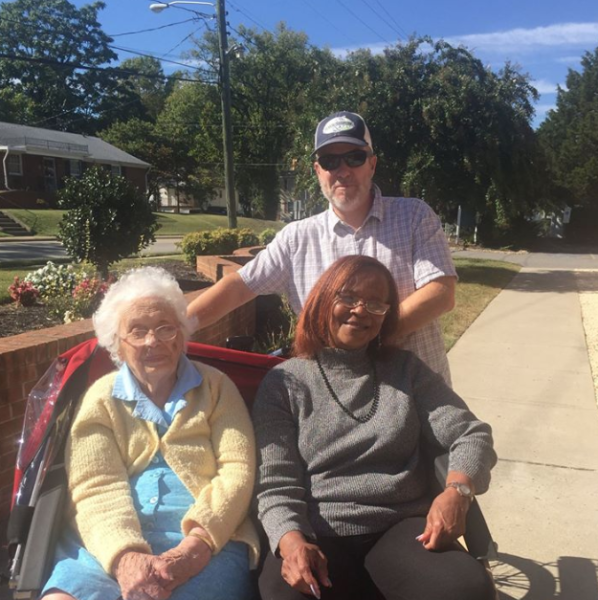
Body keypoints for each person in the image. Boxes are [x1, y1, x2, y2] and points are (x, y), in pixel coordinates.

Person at [252, 256, 496, 600]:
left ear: (387, 314)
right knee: (287, 594)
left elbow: (471, 434)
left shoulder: (407, 371)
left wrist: (458, 491)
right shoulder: (284, 382)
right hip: (317, 531)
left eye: (376, 303)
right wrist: (292, 542)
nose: (360, 310)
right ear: (323, 300)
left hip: (400, 526)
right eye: (348, 297)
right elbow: (275, 484)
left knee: (464, 587)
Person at [187, 110, 457, 384]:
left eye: (355, 157)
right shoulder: (296, 238)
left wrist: (365, 339)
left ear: (372, 164)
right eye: (329, 161)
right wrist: (177, 327)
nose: (343, 171)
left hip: (420, 397)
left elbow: (440, 293)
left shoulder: (414, 217)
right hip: (338, 409)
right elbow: (238, 287)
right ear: (318, 171)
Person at [41, 267, 259, 600]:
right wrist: (124, 558)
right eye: (138, 331)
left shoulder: (216, 387)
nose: (152, 341)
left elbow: (238, 471)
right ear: (118, 342)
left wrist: (194, 548)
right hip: (108, 544)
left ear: (181, 333)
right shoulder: (101, 398)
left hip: (211, 541)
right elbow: (95, 486)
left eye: (164, 328)